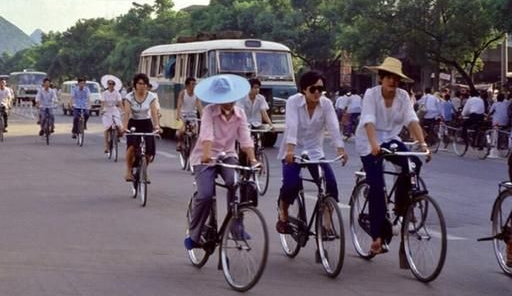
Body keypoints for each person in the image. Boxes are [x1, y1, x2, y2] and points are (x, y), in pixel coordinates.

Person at [355, 57, 429, 256]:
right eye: (389, 77)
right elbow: (368, 120)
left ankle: (400, 205)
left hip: (390, 138)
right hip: (368, 141)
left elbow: (411, 120)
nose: (393, 82)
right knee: (377, 186)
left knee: (413, 164)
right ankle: (377, 237)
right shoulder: (371, 94)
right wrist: (373, 145)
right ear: (381, 78)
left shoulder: (403, 96)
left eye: (396, 78)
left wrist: (422, 143)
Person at [184, 74, 258, 250]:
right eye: (224, 99)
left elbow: (245, 138)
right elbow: (207, 135)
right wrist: (207, 155)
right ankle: (194, 234)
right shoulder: (209, 112)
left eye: (231, 98)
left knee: (235, 184)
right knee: (205, 195)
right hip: (205, 155)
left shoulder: (239, 114)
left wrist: (253, 159)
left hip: (227, 154)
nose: (229, 102)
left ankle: (236, 226)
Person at [275, 70, 348, 234]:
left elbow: (333, 126)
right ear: (304, 90)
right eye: (313, 89)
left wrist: (341, 149)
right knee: (290, 185)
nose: (317, 93)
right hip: (293, 150)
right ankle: (283, 212)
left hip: (315, 151)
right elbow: (292, 125)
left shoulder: (326, 104)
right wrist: (290, 150)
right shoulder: (293, 102)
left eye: (320, 89)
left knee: (331, 185)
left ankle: (326, 224)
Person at [121, 73, 161, 182]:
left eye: (144, 84)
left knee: (149, 151)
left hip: (146, 123)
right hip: (134, 123)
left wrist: (157, 126)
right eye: (139, 83)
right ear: (135, 85)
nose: (142, 86)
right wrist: (124, 127)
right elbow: (127, 113)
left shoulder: (151, 97)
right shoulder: (129, 97)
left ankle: (144, 171)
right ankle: (128, 172)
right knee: (132, 147)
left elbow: (154, 112)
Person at [175, 77, 204, 151]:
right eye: (192, 84)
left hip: (193, 116)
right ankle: (180, 143)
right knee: (180, 132)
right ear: (187, 85)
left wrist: (202, 115)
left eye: (195, 84)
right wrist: (178, 114)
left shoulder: (196, 94)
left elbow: (199, 105)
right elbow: (179, 104)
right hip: (184, 115)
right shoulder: (183, 93)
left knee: (195, 133)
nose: (194, 86)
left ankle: (193, 147)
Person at [101, 74, 123, 153]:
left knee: (119, 126)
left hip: (114, 110)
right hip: (107, 110)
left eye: (112, 84)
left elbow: (120, 103)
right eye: (109, 84)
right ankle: (106, 147)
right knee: (107, 129)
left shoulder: (117, 93)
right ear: (107, 85)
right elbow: (103, 103)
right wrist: (102, 110)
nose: (111, 85)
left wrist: (123, 110)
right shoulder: (104, 93)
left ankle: (117, 135)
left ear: (114, 85)